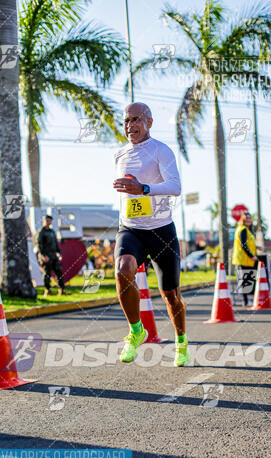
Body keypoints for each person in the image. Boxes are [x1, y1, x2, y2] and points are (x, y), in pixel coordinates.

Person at [113, 102, 189, 366]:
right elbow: (126, 194)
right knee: (123, 270)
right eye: (126, 121)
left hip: (161, 230)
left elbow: (175, 187)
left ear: (149, 122)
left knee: (171, 295)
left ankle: (181, 340)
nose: (130, 126)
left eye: (135, 120)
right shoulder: (119, 155)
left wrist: (143, 188)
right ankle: (136, 331)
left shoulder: (161, 151)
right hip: (131, 228)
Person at [232, 211, 258, 307]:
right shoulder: (243, 229)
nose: (249, 220)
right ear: (243, 220)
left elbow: (248, 243)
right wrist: (252, 256)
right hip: (243, 259)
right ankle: (246, 301)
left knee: (246, 280)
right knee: (245, 280)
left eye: (250, 218)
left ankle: (246, 300)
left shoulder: (245, 229)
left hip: (245, 259)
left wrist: (257, 248)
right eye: (247, 218)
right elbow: (244, 245)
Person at [38, 215, 65, 297]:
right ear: (43, 221)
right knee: (47, 274)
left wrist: (59, 253)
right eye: (46, 220)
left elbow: (56, 244)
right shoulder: (41, 232)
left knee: (59, 272)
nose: (48, 222)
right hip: (46, 257)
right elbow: (39, 244)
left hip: (54, 256)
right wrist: (43, 255)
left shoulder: (52, 232)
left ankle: (61, 290)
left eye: (49, 220)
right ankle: (47, 290)